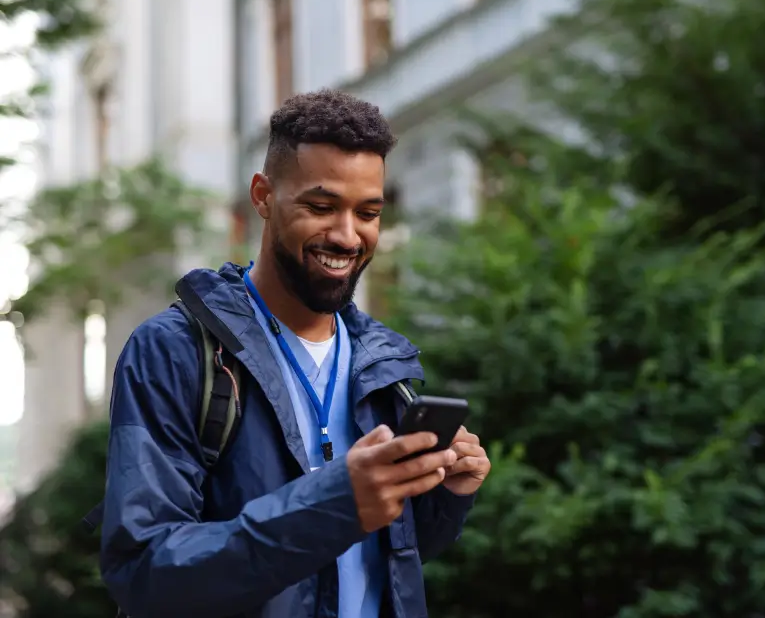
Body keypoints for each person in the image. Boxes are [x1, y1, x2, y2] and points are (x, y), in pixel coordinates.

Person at [100, 89, 491, 618]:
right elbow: (146, 571)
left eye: (368, 212)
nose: (348, 236)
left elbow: (384, 560)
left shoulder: (383, 363)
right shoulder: (174, 351)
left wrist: (445, 496)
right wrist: (334, 504)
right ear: (263, 195)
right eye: (321, 206)